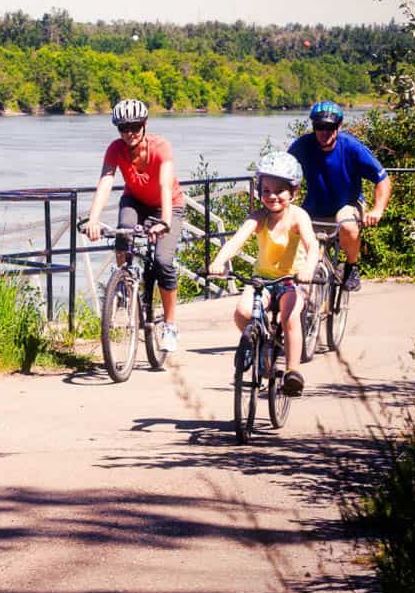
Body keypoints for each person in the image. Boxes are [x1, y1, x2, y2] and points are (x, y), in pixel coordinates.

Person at [208, 152, 319, 396]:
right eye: (266, 190)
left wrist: (308, 269)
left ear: (294, 192)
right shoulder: (258, 217)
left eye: (279, 190)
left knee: (290, 316)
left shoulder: (298, 217)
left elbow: (313, 246)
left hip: (291, 279)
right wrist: (218, 261)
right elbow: (236, 241)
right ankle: (258, 346)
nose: (272, 196)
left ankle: (292, 372)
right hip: (262, 279)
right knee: (242, 313)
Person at [85, 99, 185, 353]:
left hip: (168, 205)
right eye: (123, 127)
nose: (129, 133)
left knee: (162, 261)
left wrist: (164, 221)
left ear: (144, 125)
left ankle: (170, 325)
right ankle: (125, 286)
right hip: (135, 201)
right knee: (122, 234)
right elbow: (106, 180)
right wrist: (93, 218)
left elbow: (164, 184)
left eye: (134, 126)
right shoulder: (115, 149)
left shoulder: (161, 147)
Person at [287, 100, 391, 292]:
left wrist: (377, 209)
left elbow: (382, 179)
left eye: (330, 127)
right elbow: (284, 171)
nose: (324, 132)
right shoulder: (303, 146)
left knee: (347, 224)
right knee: (291, 236)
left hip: (348, 203)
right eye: (319, 127)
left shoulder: (352, 147)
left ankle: (351, 267)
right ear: (313, 126)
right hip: (314, 208)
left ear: (339, 126)